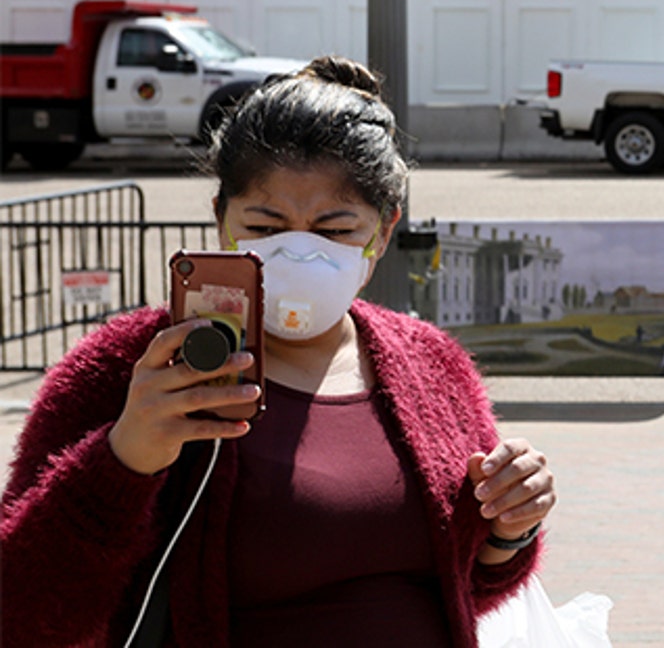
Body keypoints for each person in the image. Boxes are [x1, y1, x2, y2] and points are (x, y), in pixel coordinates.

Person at [0, 57, 556, 647]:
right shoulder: (128, 365)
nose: (299, 254)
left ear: (383, 232)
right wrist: (123, 458)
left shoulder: (431, 364)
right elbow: (23, 615)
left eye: (335, 230)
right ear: (221, 220)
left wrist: (511, 528)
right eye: (266, 228)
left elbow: (466, 587)